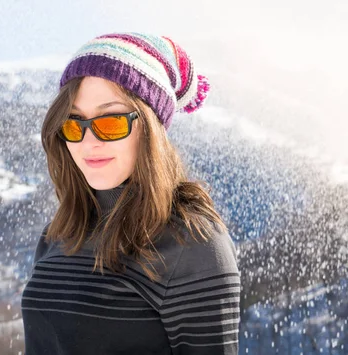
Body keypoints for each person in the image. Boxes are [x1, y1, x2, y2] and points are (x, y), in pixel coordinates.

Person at [21, 32, 241, 354]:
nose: (87, 142)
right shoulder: (59, 235)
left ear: (150, 129)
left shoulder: (191, 243)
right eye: (73, 123)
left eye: (110, 122)